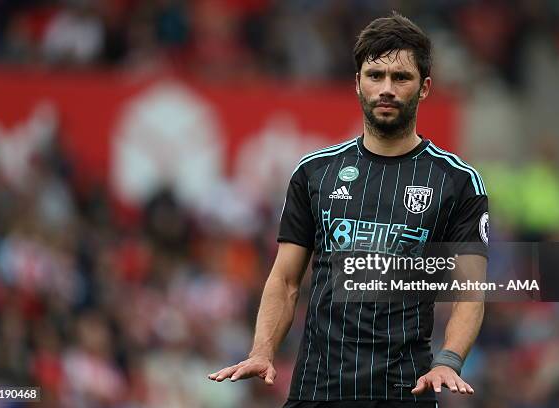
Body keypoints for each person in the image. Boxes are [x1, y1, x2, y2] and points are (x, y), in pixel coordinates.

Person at [209, 12, 488, 408]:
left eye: (401, 77)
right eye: (375, 75)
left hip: (402, 392)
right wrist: (262, 350)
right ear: (357, 82)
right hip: (317, 390)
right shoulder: (314, 173)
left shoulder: (457, 181)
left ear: (424, 88)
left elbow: (468, 293)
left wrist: (449, 360)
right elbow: (286, 280)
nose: (386, 88)